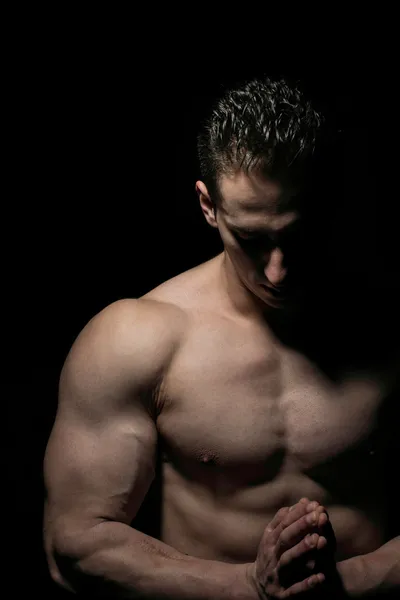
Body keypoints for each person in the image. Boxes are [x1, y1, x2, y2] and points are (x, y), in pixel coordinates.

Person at [43, 77, 399, 599]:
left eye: (296, 236)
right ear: (209, 206)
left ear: (330, 200)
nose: (276, 271)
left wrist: (345, 585)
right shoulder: (137, 339)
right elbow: (73, 544)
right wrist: (250, 587)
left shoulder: (389, 330)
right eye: (251, 239)